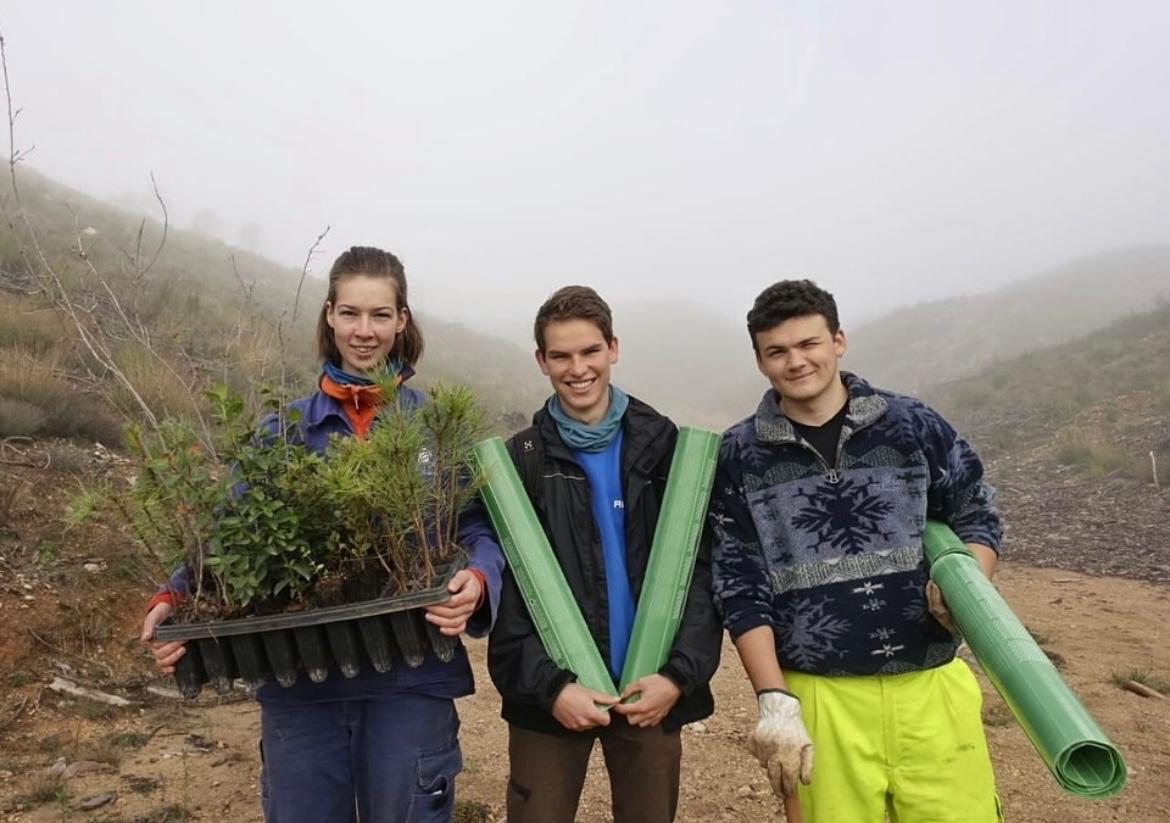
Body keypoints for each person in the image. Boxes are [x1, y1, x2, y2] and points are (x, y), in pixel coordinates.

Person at [140, 246, 505, 823]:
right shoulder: (279, 432)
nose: (365, 331)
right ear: (329, 316)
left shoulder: (437, 428)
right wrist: (174, 597)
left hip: (413, 675)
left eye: (381, 315)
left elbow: (478, 526)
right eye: (351, 314)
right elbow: (226, 537)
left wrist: (479, 577)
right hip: (301, 680)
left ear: (402, 321)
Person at [709, 279, 1003, 822]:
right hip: (819, 696)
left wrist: (968, 579)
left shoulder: (913, 424)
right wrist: (774, 701)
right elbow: (738, 581)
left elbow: (976, 511)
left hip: (931, 683)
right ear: (760, 361)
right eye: (778, 351)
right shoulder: (738, 455)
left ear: (838, 340)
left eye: (809, 343)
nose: (796, 361)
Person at [487, 286, 723, 823]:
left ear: (613, 348)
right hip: (552, 701)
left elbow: (700, 573)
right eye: (562, 356)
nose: (578, 368)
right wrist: (549, 687)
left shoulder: (667, 449)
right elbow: (509, 594)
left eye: (590, 351)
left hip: (649, 695)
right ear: (541, 361)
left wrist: (678, 677)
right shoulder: (516, 462)